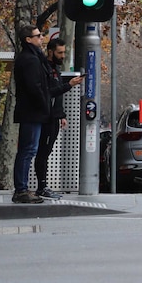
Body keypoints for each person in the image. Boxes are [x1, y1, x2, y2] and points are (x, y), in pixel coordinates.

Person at [35, 37, 84, 199]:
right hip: (46, 118)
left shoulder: (55, 69)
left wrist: (61, 114)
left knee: (46, 153)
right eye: (59, 52)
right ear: (50, 52)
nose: (62, 56)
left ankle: (43, 185)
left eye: (64, 52)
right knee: (43, 152)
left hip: (54, 117)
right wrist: (69, 85)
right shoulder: (45, 69)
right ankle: (41, 186)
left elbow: (57, 96)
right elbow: (51, 92)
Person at [12, 25, 51, 204]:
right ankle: (21, 189)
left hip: (29, 110)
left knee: (28, 150)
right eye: (38, 36)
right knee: (28, 150)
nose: (41, 38)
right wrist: (44, 105)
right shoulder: (31, 60)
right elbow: (34, 87)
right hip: (32, 112)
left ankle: (22, 188)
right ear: (28, 39)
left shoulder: (27, 58)